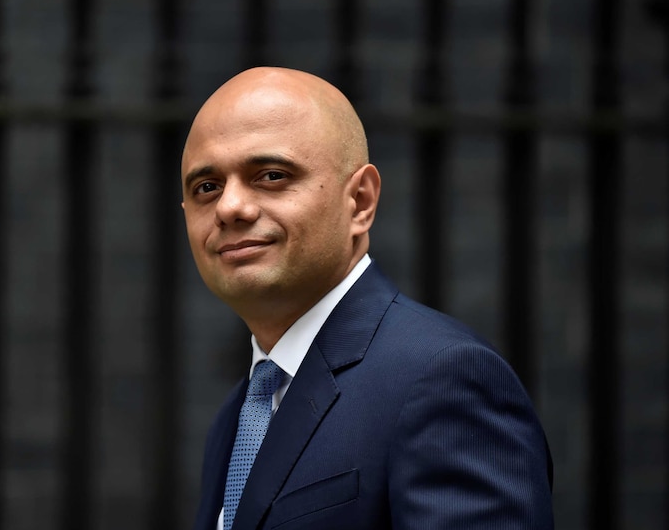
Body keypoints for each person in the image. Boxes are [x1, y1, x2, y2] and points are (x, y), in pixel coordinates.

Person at [181, 66, 554, 530]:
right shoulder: (238, 415)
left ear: (359, 201)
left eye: (272, 175)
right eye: (206, 187)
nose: (230, 207)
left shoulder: (443, 380)